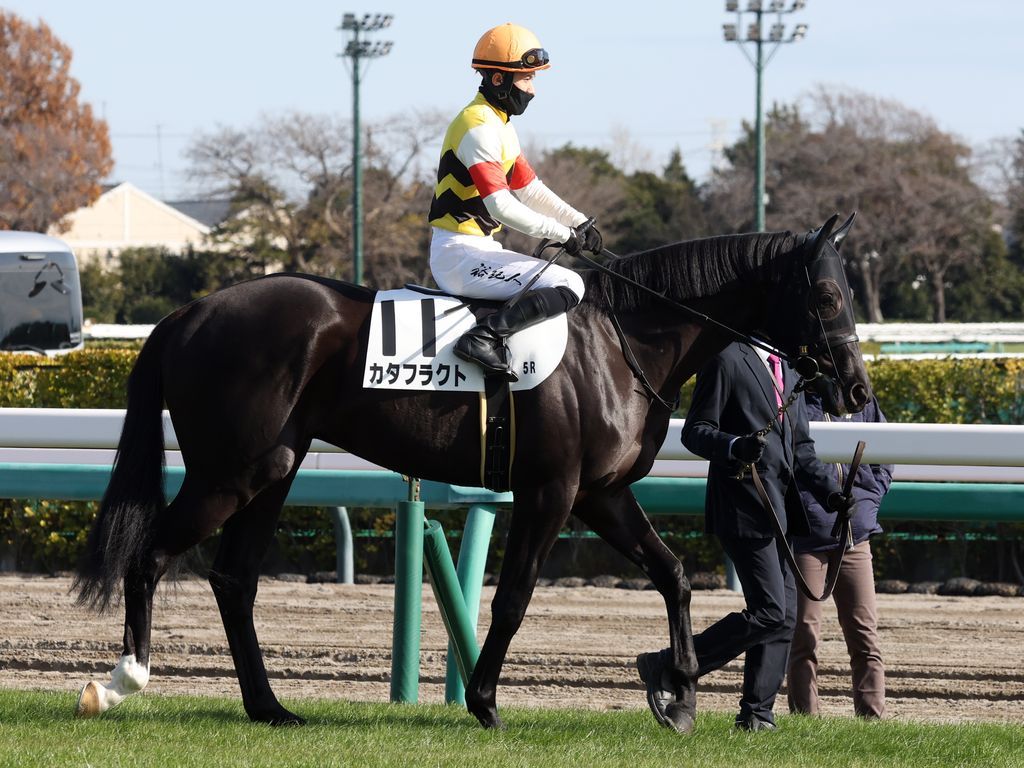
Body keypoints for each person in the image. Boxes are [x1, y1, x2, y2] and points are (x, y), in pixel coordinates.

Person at [636, 342, 851, 732]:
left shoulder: (789, 367)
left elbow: (800, 448)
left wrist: (831, 494)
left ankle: (757, 715)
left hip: (781, 512)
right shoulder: (724, 357)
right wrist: (735, 446)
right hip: (742, 508)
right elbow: (696, 432)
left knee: (784, 617)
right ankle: (669, 663)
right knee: (771, 611)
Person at [427, 22, 602, 382]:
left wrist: (578, 221)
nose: (532, 90)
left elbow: (530, 189)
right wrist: (562, 234)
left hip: (477, 249)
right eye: (526, 79)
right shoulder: (477, 126)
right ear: (498, 80)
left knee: (567, 280)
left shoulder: (499, 124)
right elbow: (501, 207)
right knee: (569, 284)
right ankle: (483, 337)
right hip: (458, 255)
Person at [787, 390, 892, 719]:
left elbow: (885, 454)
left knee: (864, 635)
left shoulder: (861, 397)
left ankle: (872, 720)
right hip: (807, 538)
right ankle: (805, 720)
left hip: (854, 537)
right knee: (804, 634)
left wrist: (869, 501)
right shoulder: (793, 397)